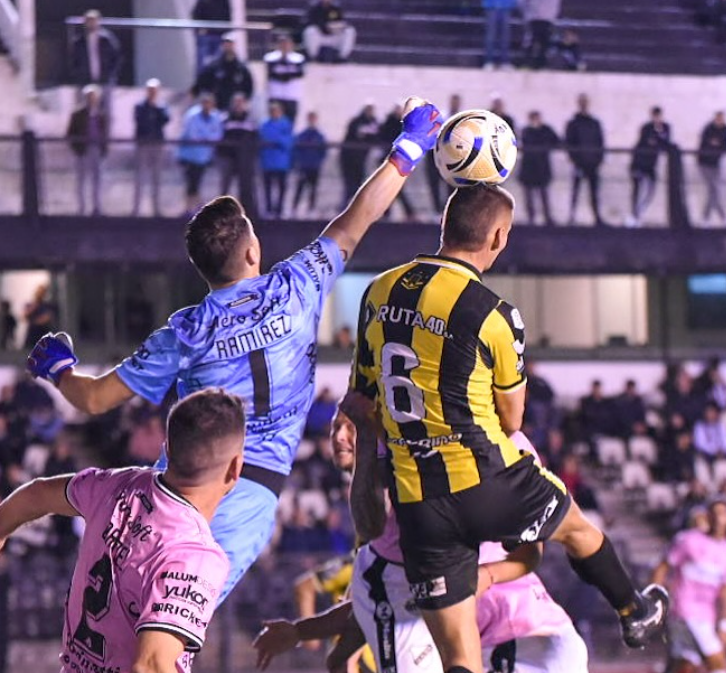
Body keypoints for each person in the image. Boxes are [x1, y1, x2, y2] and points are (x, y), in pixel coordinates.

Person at [26, 98, 443, 605]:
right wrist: (408, 149)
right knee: (177, 623)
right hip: (249, 493)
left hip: (179, 485)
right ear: (251, 251)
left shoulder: (187, 330)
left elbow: (93, 399)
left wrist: (59, 367)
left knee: (134, 619)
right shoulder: (298, 284)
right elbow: (356, 220)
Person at [343, 183, 667, 673]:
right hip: (490, 479)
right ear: (497, 237)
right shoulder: (494, 314)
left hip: (419, 501)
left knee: (460, 658)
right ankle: (633, 611)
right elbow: (512, 419)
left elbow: (362, 391)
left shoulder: (379, 289)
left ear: (444, 226)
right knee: (578, 530)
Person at [254, 419, 589, 673]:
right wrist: (303, 633)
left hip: (518, 637)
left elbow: (531, 553)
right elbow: (374, 607)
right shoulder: (383, 521)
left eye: (352, 425)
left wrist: (484, 578)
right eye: (335, 426)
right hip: (523, 639)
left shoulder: (414, 504)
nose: (340, 436)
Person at [0, 388, 245, 673]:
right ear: (235, 468)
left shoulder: (116, 486)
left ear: (167, 449)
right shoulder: (195, 553)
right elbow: (150, 666)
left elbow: (38, 492)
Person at [651, 499, 726, 673]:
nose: (718, 518)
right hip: (683, 612)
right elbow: (662, 567)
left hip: (707, 616)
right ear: (708, 516)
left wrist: (725, 624)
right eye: (714, 513)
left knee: (685, 667)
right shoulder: (688, 540)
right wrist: (655, 602)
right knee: (718, 664)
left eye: (723, 513)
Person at [177, 92, 224, 215]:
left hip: (204, 156)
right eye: (205, 103)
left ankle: (197, 208)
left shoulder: (216, 116)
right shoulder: (192, 115)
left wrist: (206, 138)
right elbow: (193, 135)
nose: (207, 105)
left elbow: (217, 134)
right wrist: (206, 138)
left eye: (209, 103)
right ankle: (190, 208)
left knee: (198, 182)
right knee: (191, 182)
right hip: (190, 155)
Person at [67, 83, 108, 216]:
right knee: (81, 180)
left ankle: (97, 207)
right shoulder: (77, 114)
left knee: (97, 180)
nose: (92, 99)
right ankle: (81, 208)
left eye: (94, 96)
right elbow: (70, 133)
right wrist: (76, 148)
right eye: (90, 96)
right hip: (82, 150)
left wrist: (104, 150)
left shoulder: (101, 115)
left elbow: (105, 134)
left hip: (96, 150)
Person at [627, 107, 672, 227]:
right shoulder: (646, 128)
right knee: (638, 190)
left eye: (659, 116)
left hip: (652, 164)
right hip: (640, 162)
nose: (657, 118)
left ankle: (638, 212)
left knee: (651, 190)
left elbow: (664, 143)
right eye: (655, 116)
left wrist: (659, 139)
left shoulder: (665, 127)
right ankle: (634, 215)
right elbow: (648, 141)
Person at [565, 93, 606, 226]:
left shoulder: (594, 123)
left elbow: (600, 142)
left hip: (593, 163)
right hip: (579, 163)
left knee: (594, 192)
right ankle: (572, 216)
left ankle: (597, 217)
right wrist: (575, 159)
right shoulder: (573, 124)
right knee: (576, 191)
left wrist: (598, 159)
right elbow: (569, 143)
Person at [216, 93, 259, 219]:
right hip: (228, 157)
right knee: (225, 185)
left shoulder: (251, 120)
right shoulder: (225, 119)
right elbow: (220, 137)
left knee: (246, 186)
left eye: (241, 102)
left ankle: (247, 213)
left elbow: (255, 139)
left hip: (245, 159)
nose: (238, 105)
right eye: (236, 102)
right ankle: (221, 212)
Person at [69, 9, 121, 109]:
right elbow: (74, 61)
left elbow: (116, 58)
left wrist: (111, 74)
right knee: (83, 108)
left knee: (105, 110)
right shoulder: (79, 42)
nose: (91, 23)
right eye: (88, 20)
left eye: (93, 20)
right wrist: (78, 74)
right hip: (84, 80)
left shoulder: (107, 39)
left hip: (104, 80)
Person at [133, 78, 170, 217]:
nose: (152, 93)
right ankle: (136, 209)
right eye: (150, 90)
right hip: (143, 144)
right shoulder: (140, 106)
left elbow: (165, 120)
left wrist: (155, 107)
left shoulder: (162, 106)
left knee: (156, 177)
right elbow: (140, 121)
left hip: (157, 144)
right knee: (140, 176)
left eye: (154, 91)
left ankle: (156, 209)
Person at [518, 110, 560, 226]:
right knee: (530, 195)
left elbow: (556, 142)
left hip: (540, 166)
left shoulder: (544, 130)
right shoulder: (527, 131)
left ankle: (546, 216)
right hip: (531, 166)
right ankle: (532, 217)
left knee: (543, 194)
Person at [193, 33, 254, 111]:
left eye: (230, 43)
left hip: (235, 111)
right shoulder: (214, 66)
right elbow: (202, 83)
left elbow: (249, 88)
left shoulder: (241, 68)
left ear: (234, 45)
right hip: (216, 109)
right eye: (226, 43)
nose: (228, 46)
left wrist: (243, 103)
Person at [426, 93, 462, 214]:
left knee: (451, 185)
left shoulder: (462, 119)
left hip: (452, 156)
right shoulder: (443, 116)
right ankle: (437, 210)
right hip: (437, 154)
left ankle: (450, 210)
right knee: (435, 183)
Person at [340, 103, 381, 206]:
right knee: (350, 183)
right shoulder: (356, 122)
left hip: (362, 158)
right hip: (349, 157)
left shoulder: (374, 123)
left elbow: (376, 137)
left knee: (359, 182)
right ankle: (345, 205)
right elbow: (352, 134)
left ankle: (354, 205)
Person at [380, 103, 417, 220]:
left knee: (394, 187)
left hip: (399, 160)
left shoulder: (403, 126)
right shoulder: (390, 124)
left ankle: (388, 212)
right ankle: (404, 212)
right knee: (392, 187)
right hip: (392, 160)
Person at [259, 101, 294, 219]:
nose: (274, 113)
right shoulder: (265, 124)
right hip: (267, 161)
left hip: (281, 162)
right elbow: (263, 137)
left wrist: (275, 139)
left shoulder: (286, 125)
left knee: (282, 187)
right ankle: (268, 209)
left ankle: (279, 209)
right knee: (267, 187)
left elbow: (288, 141)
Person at [697, 111, 726, 227]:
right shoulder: (708, 128)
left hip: (716, 164)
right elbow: (704, 143)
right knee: (713, 189)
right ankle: (722, 218)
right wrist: (713, 144)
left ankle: (707, 218)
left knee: (713, 191)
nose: (720, 121)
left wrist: (718, 145)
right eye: (719, 119)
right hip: (704, 163)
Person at [264, 34, 306, 124]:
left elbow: (300, 74)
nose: (284, 46)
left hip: (291, 95)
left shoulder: (298, 59)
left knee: (290, 122)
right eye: (282, 43)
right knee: (275, 121)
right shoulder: (270, 58)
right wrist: (288, 74)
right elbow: (271, 74)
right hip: (276, 94)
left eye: (287, 43)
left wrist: (284, 75)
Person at [292, 111, 328, 216]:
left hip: (314, 166)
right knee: (300, 188)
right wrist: (299, 162)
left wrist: (318, 162)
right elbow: (297, 150)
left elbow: (323, 151)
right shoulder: (302, 135)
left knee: (313, 189)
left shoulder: (319, 136)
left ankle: (311, 208)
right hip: (304, 166)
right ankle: (294, 208)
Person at [521, 0, 562, 70]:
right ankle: (528, 63)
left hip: (547, 19)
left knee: (545, 43)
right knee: (531, 42)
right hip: (534, 19)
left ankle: (541, 64)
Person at [191, 0, 231, 71]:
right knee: (202, 63)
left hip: (219, 35)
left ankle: (216, 77)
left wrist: (225, 31)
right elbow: (195, 14)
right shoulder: (203, 1)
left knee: (219, 62)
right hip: (205, 36)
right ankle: (203, 77)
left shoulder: (224, 2)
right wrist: (199, 29)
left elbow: (227, 17)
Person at [482, 0, 518, 70]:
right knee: (491, 35)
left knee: (505, 36)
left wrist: (513, 3)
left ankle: (505, 62)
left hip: (506, 6)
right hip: (491, 5)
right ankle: (488, 61)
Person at [23, 285, 56, 349]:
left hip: (43, 332)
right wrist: (35, 306)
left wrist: (34, 321)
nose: (39, 294)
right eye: (38, 292)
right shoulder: (30, 305)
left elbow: (47, 318)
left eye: (42, 292)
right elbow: (24, 316)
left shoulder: (48, 306)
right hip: (31, 333)